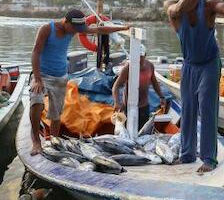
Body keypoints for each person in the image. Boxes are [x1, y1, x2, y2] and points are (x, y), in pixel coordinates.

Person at [164, 0, 224, 173]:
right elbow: (178, 11)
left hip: (209, 63)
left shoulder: (209, 4)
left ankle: (209, 158)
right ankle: (187, 155)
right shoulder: (171, 5)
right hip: (189, 64)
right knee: (188, 109)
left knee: (207, 108)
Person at [30, 9, 130, 155]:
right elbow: (36, 52)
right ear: (65, 21)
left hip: (61, 77)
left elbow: (100, 29)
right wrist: (37, 79)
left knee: (56, 115)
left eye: (78, 29)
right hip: (43, 75)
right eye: (74, 28)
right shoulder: (46, 29)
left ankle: (53, 142)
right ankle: (36, 142)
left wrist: (122, 28)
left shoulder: (72, 29)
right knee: (36, 102)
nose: (76, 31)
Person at [112, 44, 166, 130]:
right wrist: (117, 102)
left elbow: (154, 82)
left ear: (145, 55)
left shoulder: (150, 66)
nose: (139, 59)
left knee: (142, 131)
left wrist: (161, 97)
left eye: (141, 57)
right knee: (128, 132)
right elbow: (116, 86)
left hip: (144, 106)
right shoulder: (127, 68)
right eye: (136, 56)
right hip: (129, 107)